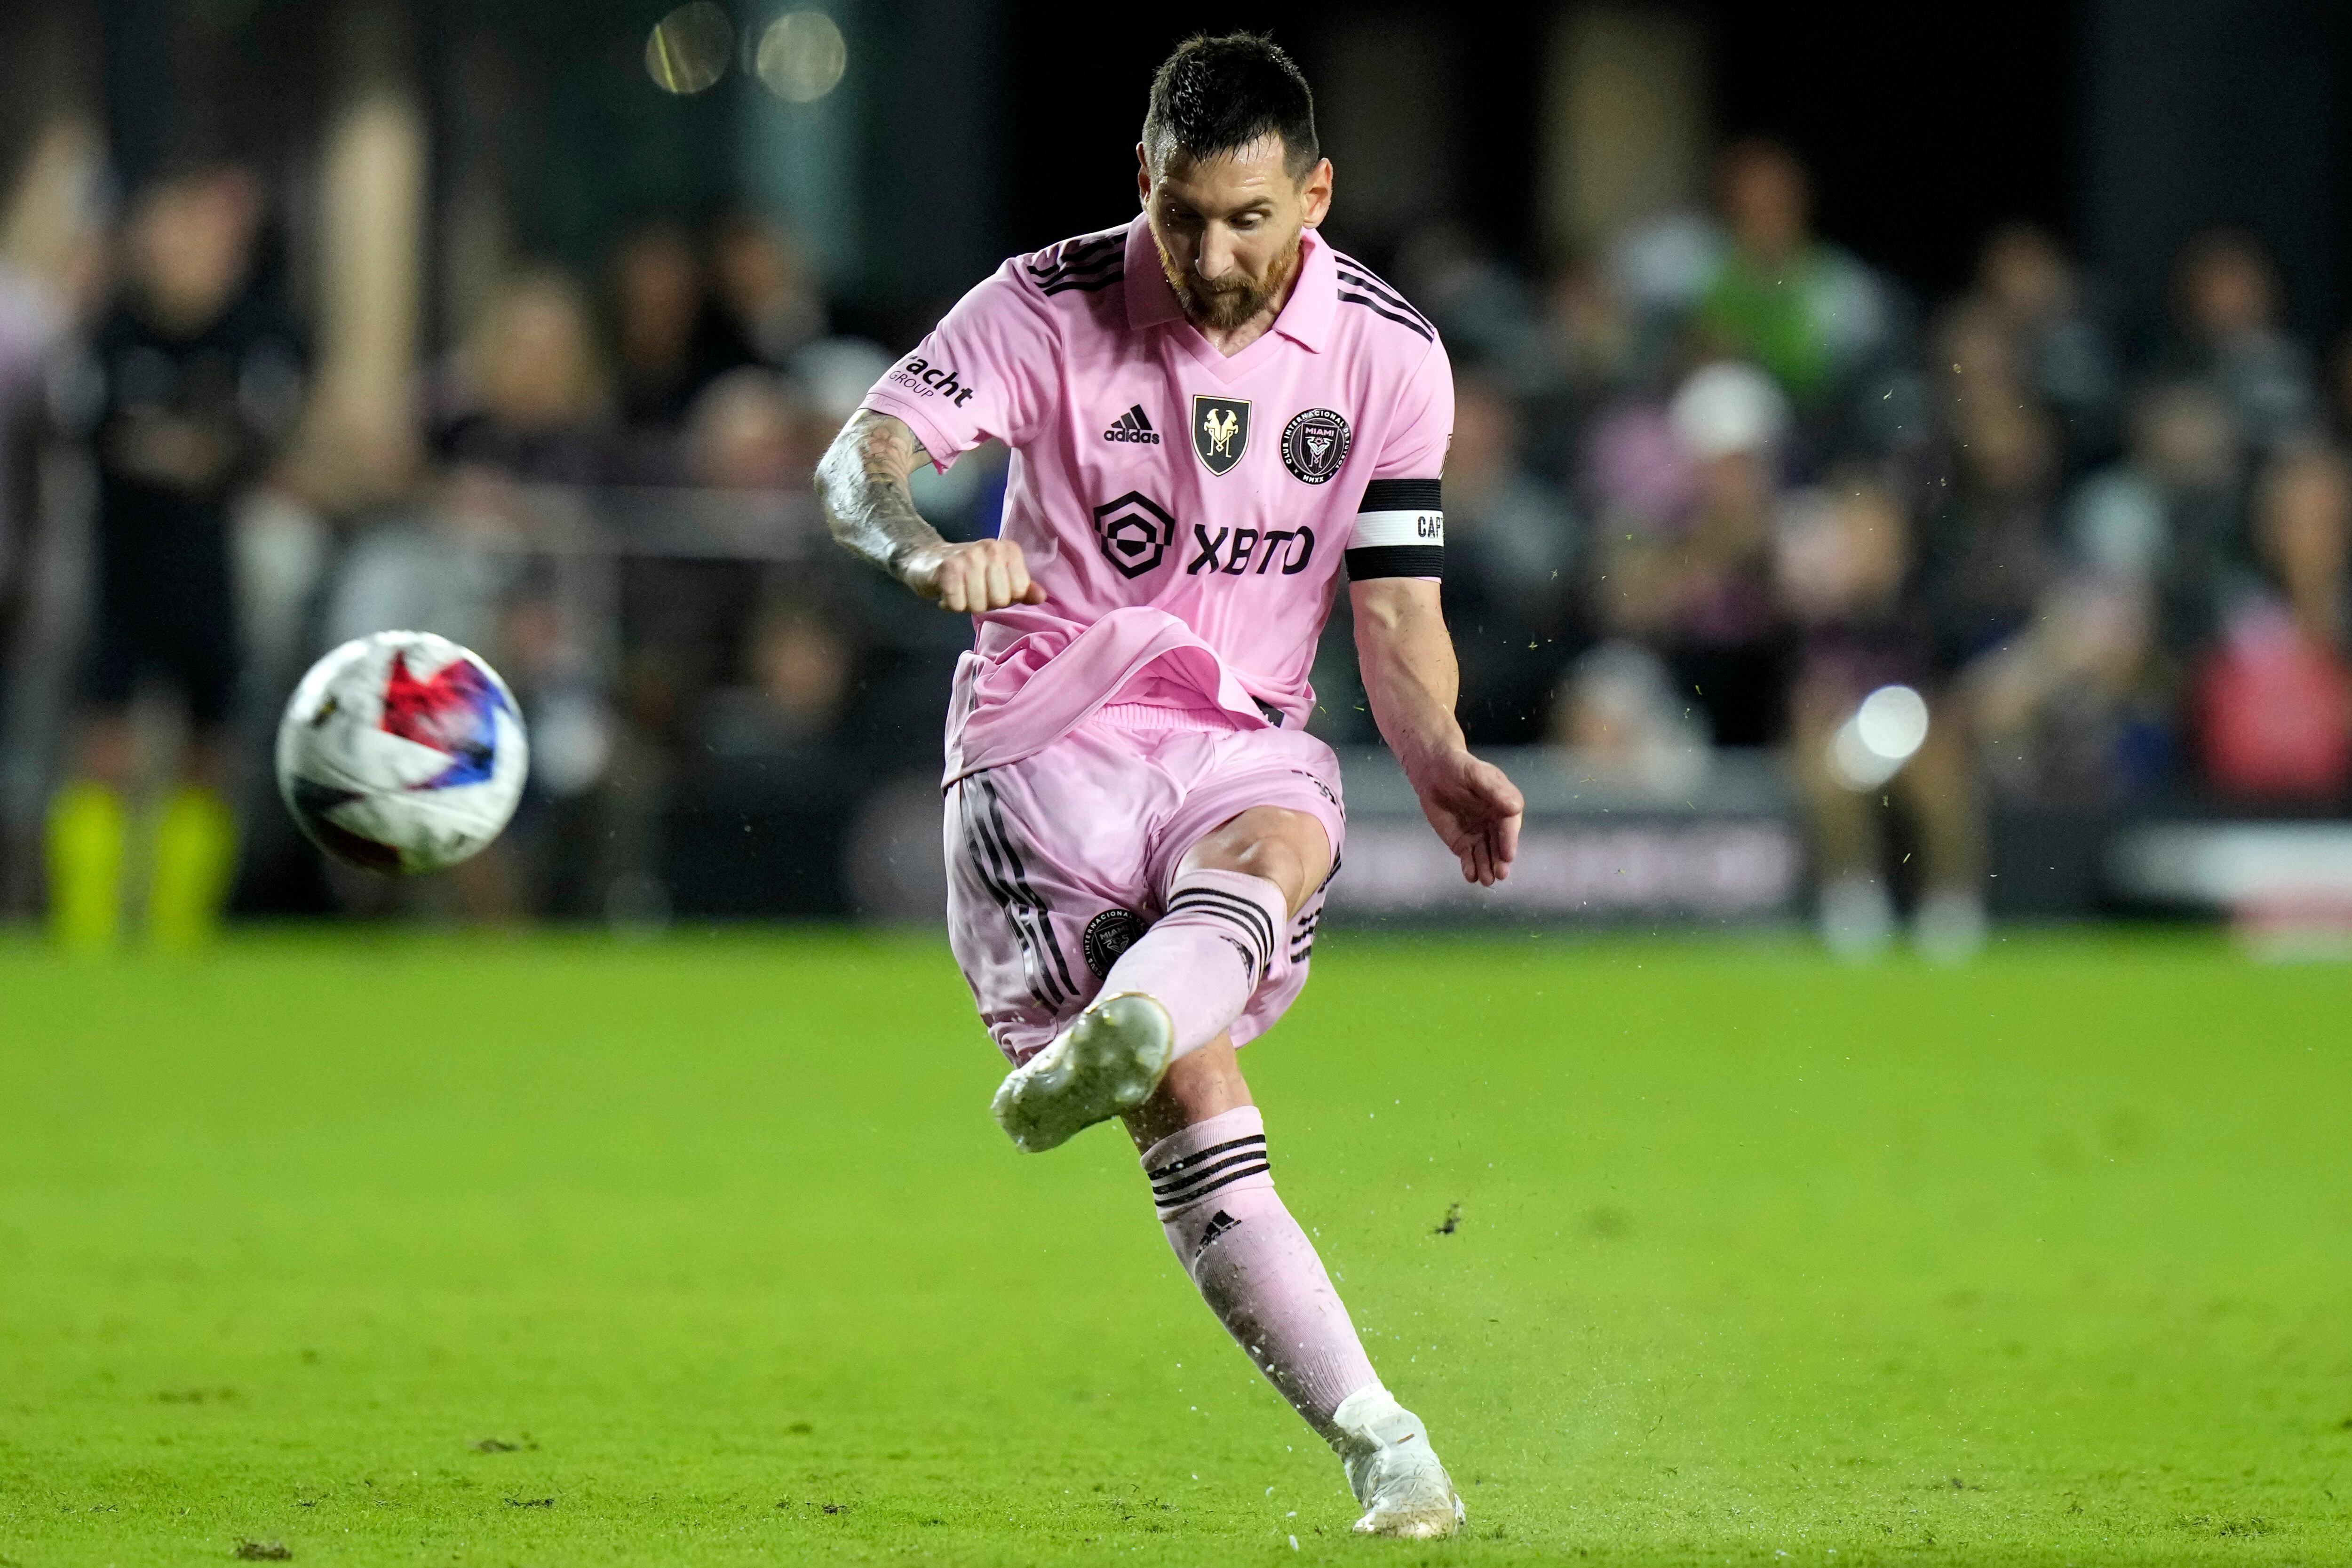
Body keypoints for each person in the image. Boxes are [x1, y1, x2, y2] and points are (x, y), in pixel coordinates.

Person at [812, 33, 1520, 1540]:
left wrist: (1441, 753)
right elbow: (856, 461)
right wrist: (925, 547)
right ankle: (1369, 1420)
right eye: (1182, 214)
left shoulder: (1390, 353)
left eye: (1250, 220)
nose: (1210, 254)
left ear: (1316, 195)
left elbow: (1394, 609)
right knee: (1193, 1093)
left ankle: (1387, 1445)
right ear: (1143, 179)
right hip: (1046, 737)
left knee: (1279, 839)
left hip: (1237, 737)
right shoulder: (1043, 300)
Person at [48, 160, 303, 949]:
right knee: (105, 748)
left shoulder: (252, 336)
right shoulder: (111, 334)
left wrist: (181, 450)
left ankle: (177, 932)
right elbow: (96, 431)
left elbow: (254, 444)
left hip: (208, 576)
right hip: (123, 572)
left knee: (208, 749)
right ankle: (87, 935)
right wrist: (184, 450)